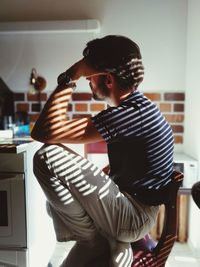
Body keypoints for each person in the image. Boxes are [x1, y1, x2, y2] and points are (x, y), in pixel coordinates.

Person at [31, 35, 174, 267]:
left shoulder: (130, 114)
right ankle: (104, 241)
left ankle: (94, 240)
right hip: (135, 210)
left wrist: (70, 76)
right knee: (54, 199)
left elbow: (43, 133)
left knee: (47, 156)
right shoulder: (138, 108)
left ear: (107, 79)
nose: (87, 81)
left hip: (133, 217)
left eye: (89, 76)